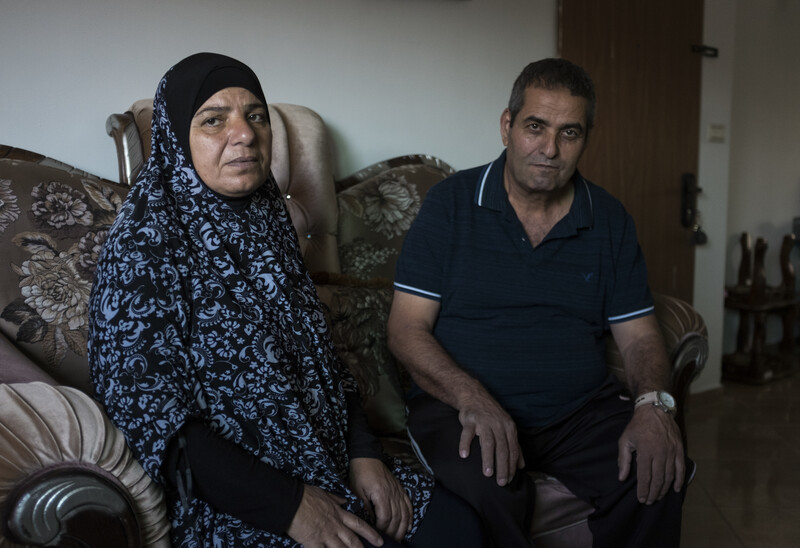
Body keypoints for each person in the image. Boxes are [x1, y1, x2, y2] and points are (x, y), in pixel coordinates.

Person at [89, 52, 487, 548]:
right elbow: (157, 420)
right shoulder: (143, 246)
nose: (245, 133)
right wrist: (291, 507)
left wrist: (365, 454)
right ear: (174, 138)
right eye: (214, 120)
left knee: (461, 530)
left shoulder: (270, 221)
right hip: (236, 502)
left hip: (328, 464)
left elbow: (323, 361)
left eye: (255, 115)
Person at [387, 58, 692, 547]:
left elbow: (638, 337)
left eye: (569, 133)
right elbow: (405, 329)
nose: (550, 149)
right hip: (461, 408)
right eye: (535, 127)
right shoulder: (449, 204)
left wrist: (653, 405)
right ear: (507, 126)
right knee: (488, 489)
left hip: (578, 412)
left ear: (586, 138)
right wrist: (472, 397)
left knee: (654, 473)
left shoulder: (610, 220)